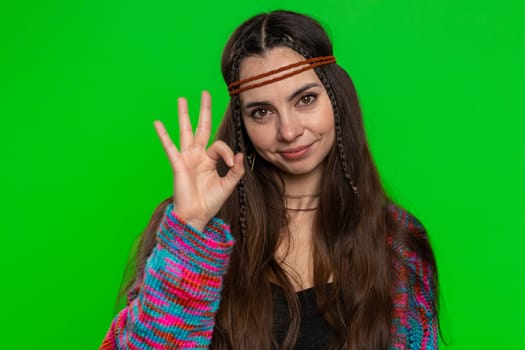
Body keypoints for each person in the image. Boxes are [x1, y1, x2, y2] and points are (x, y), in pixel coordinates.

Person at [101, 10, 439, 350]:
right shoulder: (190, 230)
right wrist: (191, 229)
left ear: (337, 100)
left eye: (305, 100)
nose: (289, 131)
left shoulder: (397, 243)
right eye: (261, 112)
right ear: (242, 124)